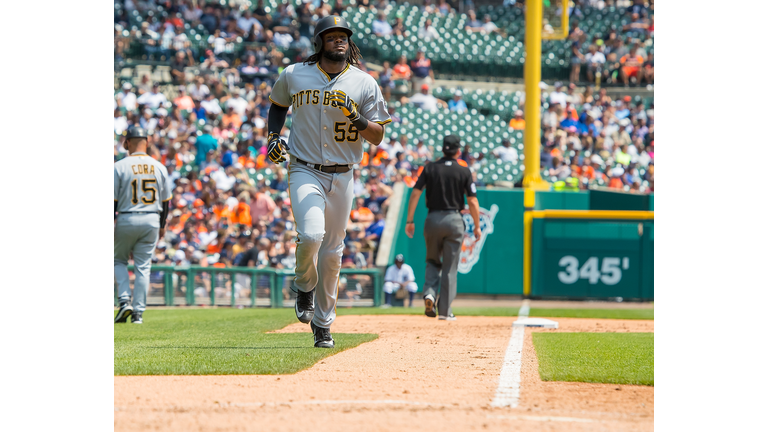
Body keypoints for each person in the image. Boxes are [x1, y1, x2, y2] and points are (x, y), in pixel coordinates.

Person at [266, 15, 391, 348]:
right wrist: (272, 136)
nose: (339, 40)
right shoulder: (294, 73)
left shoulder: (364, 82)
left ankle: (323, 325)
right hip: (304, 167)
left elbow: (377, 136)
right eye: (332, 35)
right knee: (311, 235)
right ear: (319, 41)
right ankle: (304, 285)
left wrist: (355, 115)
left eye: (343, 36)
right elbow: (277, 105)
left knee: (333, 252)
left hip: (344, 173)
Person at [405, 135, 481, 320]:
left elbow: (415, 193)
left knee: (432, 260)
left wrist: (410, 220)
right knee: (450, 267)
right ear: (458, 151)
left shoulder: (430, 167)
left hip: (432, 219)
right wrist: (477, 226)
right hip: (454, 219)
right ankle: (445, 311)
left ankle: (429, 293)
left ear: (443, 149)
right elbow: (472, 200)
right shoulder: (464, 170)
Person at [114, 126, 172, 324]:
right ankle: (138, 313)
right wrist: (162, 225)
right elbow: (166, 202)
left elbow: (112, 200)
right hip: (152, 219)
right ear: (146, 142)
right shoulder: (159, 167)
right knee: (143, 267)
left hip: (126, 216)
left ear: (128, 142)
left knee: (118, 261)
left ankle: (124, 301)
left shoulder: (119, 166)